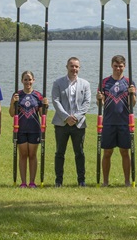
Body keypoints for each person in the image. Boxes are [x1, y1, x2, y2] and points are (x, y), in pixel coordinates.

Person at [97, 55, 136, 187]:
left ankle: (127, 181)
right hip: (108, 122)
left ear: (124, 66)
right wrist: (99, 98)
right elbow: (100, 104)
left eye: (120, 66)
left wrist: (132, 94)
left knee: (125, 152)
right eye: (115, 66)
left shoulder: (129, 82)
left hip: (125, 122)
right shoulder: (104, 82)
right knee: (107, 152)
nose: (118, 68)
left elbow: (133, 104)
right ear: (112, 65)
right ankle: (105, 181)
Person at [51, 57, 91, 187]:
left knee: (79, 152)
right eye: (72, 66)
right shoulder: (58, 83)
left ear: (79, 68)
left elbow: (87, 103)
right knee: (59, 152)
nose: (74, 69)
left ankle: (81, 180)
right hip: (62, 124)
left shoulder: (85, 84)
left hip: (78, 124)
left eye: (76, 67)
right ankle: (58, 180)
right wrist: (66, 117)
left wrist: (76, 117)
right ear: (67, 67)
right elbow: (55, 101)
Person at [9, 71, 48, 188]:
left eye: (30, 79)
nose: (28, 82)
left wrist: (45, 105)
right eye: (25, 80)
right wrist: (12, 102)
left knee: (32, 155)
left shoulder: (38, 95)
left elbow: (42, 115)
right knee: (23, 155)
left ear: (33, 80)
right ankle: (23, 182)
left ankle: (32, 181)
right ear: (22, 81)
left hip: (34, 130)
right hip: (20, 129)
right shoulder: (17, 95)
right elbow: (11, 113)